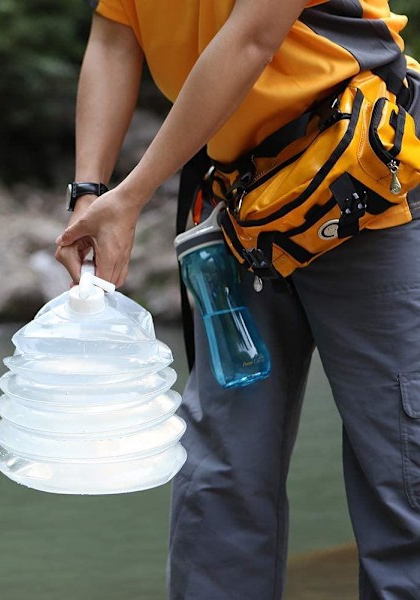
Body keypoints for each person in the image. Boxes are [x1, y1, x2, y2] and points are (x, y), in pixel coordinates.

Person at [55, 1, 420, 598]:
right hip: (241, 207)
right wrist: (89, 193)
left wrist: (130, 196)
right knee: (219, 470)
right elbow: (116, 37)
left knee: (402, 463)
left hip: (366, 181)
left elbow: (252, 37)